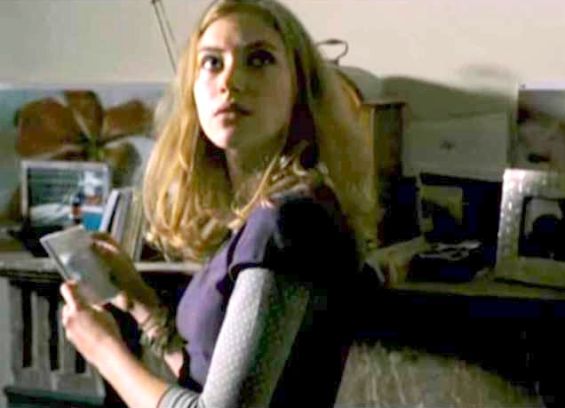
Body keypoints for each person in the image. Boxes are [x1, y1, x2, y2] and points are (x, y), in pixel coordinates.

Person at [58, 0, 378, 407]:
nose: (230, 80)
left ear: (300, 88)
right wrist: (140, 304)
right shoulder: (262, 217)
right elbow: (210, 380)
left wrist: (104, 350)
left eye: (259, 60)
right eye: (212, 62)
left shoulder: (287, 221)